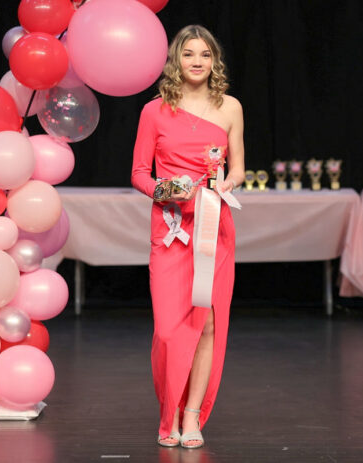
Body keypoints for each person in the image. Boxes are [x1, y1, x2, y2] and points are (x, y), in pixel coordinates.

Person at [131, 25, 245, 448]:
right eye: (189, 54)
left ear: (214, 61)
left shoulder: (230, 107)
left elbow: (236, 167)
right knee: (166, 328)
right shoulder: (153, 111)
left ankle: (192, 415)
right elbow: (139, 172)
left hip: (214, 225)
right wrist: (165, 190)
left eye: (205, 54)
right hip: (171, 228)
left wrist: (227, 183)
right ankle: (168, 413)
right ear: (175, 61)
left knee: (208, 321)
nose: (197, 61)